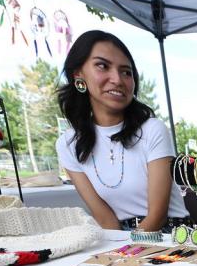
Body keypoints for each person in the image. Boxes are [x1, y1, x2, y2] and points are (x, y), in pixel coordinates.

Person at [56, 30, 187, 232]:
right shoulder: (68, 144)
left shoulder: (152, 130)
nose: (117, 79)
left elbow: (157, 216)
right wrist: (119, 253)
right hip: (117, 238)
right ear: (78, 74)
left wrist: (127, 255)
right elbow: (106, 220)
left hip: (169, 236)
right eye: (102, 66)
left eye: (126, 72)